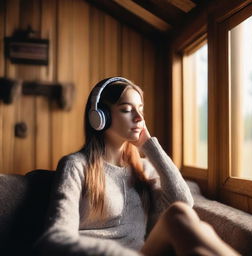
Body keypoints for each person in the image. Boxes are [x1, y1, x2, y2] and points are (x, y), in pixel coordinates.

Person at [35, 77, 239, 256]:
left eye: (140, 109)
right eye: (126, 109)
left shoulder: (145, 168)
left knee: (178, 213)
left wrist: (149, 146)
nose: (139, 118)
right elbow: (54, 238)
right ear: (100, 117)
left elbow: (184, 201)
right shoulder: (75, 166)